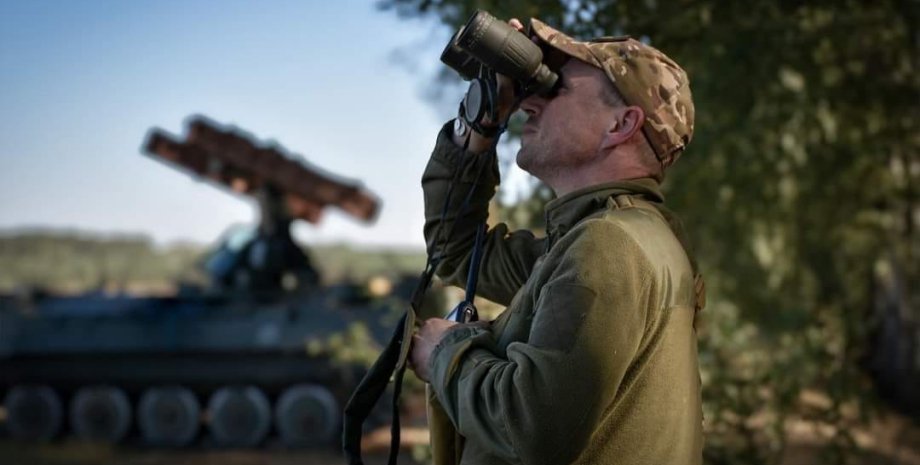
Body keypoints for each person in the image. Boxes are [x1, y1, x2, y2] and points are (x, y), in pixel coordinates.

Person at [408, 16, 705, 465]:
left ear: (621, 124)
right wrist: (480, 125)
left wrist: (444, 354)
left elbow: (531, 427)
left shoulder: (610, 245)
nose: (529, 102)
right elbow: (458, 252)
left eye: (555, 88)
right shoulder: (619, 237)